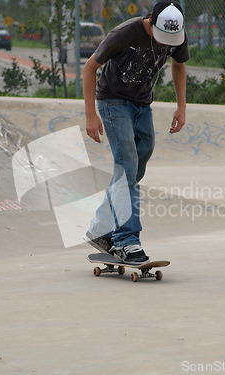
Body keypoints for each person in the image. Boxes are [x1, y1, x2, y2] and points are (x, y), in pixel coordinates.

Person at [83, 1, 188, 264]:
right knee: (127, 167)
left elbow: (179, 65)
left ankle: (99, 228)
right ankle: (127, 240)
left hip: (142, 104)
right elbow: (89, 68)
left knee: (136, 165)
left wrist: (181, 106)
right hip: (112, 101)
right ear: (151, 20)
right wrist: (90, 114)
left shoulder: (178, 33)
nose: (165, 43)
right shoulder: (123, 34)